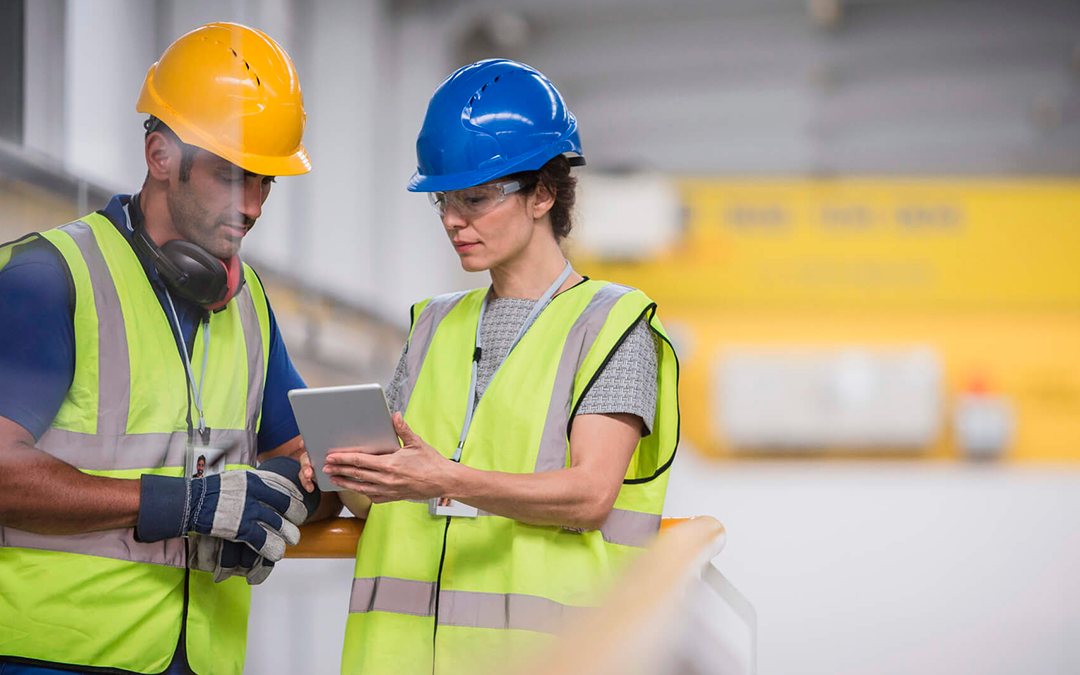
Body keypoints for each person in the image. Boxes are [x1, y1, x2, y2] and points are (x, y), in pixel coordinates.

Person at [0, 23, 336, 675]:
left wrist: (291, 489)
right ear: (160, 155)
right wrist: (186, 504)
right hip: (51, 658)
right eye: (231, 175)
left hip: (198, 659)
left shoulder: (246, 300)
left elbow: (296, 451)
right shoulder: (50, 277)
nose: (253, 205)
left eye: (265, 181)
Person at [324, 59, 680, 674]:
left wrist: (445, 479)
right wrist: (348, 472)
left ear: (543, 192)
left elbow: (590, 495)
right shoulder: (434, 324)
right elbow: (392, 505)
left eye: (476, 198)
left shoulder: (611, 325)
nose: (451, 220)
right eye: (442, 200)